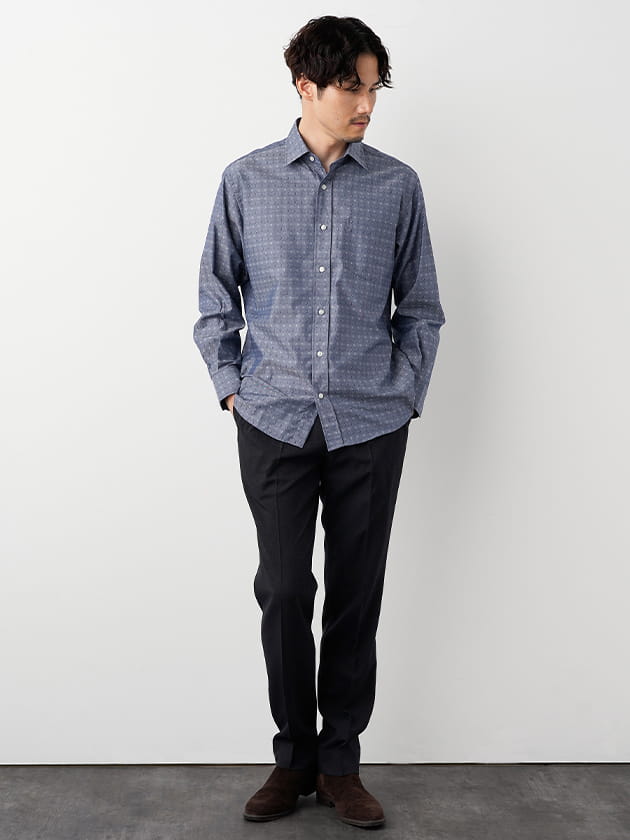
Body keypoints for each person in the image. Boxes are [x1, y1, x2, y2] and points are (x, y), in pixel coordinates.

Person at [193, 15, 446, 830]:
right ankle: (292, 758)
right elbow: (214, 301)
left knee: (355, 594)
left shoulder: (398, 185)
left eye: (373, 88)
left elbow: (422, 309)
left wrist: (404, 396)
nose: (366, 103)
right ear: (305, 87)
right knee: (283, 590)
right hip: (272, 419)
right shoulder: (245, 180)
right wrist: (232, 390)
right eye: (350, 86)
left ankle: (340, 764)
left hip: (370, 422)